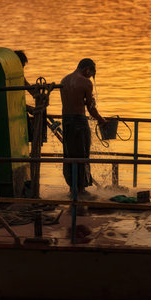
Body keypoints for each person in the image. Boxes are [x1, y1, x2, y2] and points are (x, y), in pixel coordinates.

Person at [60, 58, 106, 198]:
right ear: (87, 70)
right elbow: (91, 109)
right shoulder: (86, 82)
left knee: (69, 155)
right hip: (79, 122)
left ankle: (71, 188)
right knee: (82, 155)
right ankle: (81, 191)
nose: (90, 77)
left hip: (66, 121)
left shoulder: (65, 80)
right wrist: (101, 119)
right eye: (91, 74)